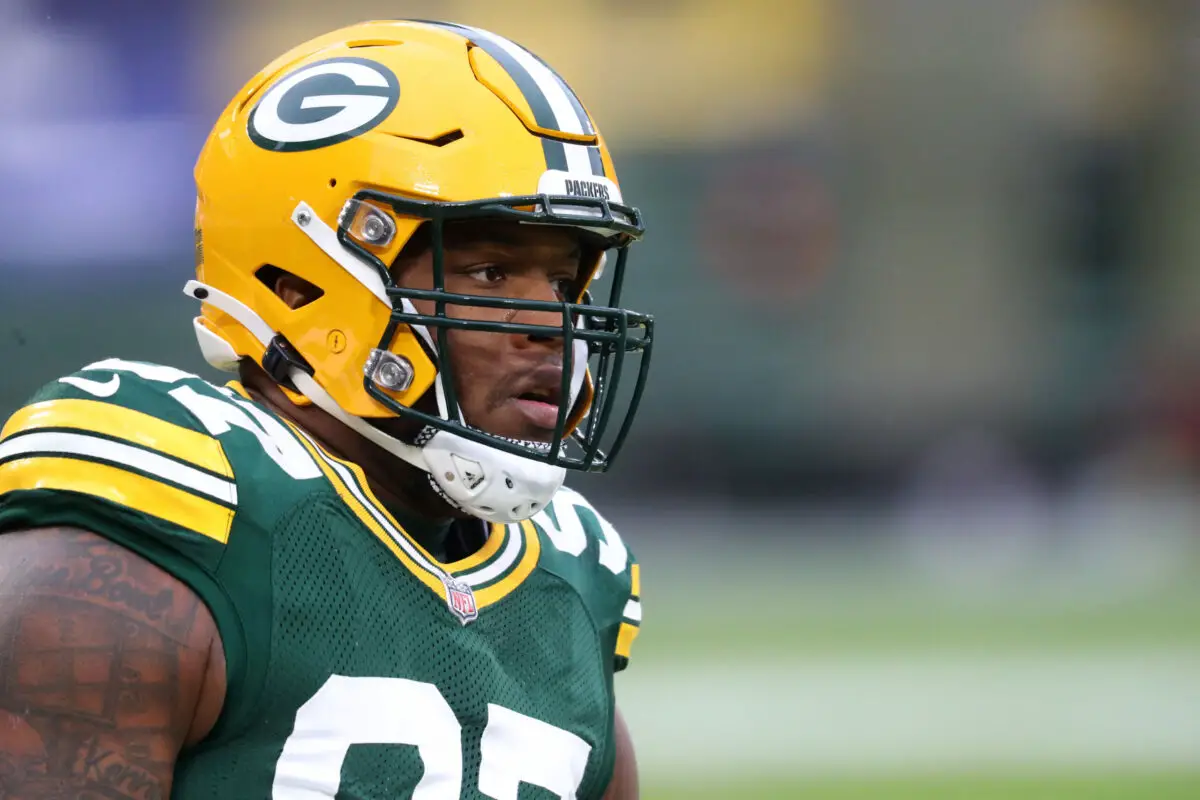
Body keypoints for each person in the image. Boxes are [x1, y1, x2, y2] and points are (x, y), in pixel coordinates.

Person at [0, 19, 653, 799]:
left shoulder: (571, 580)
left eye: (563, 281)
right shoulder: (182, 518)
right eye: (488, 272)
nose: (554, 330)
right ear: (298, 284)